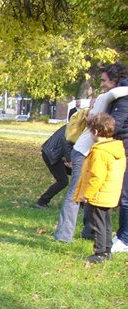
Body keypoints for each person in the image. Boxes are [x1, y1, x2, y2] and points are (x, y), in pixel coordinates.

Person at [54, 64, 128, 243]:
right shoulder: (108, 97)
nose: (101, 84)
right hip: (84, 150)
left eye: (104, 80)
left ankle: (90, 232)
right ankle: (63, 236)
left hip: (93, 151)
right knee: (77, 192)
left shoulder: (112, 99)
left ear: (115, 80)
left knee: (91, 192)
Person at [73, 113, 126, 263]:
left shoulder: (99, 152)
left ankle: (100, 253)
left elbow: (97, 177)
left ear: (95, 132)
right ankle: (107, 250)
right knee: (106, 224)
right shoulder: (115, 148)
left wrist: (86, 194)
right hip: (110, 194)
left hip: (98, 195)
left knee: (97, 225)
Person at [109, 69, 128, 253]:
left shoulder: (123, 98)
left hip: (125, 150)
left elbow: (114, 125)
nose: (103, 84)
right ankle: (122, 234)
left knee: (125, 198)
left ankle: (125, 239)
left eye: (104, 80)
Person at [34, 125, 73, 208]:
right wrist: (69, 161)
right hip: (52, 154)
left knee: (81, 174)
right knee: (63, 181)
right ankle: (42, 202)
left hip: (53, 153)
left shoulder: (73, 125)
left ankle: (80, 202)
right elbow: (65, 143)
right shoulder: (76, 128)